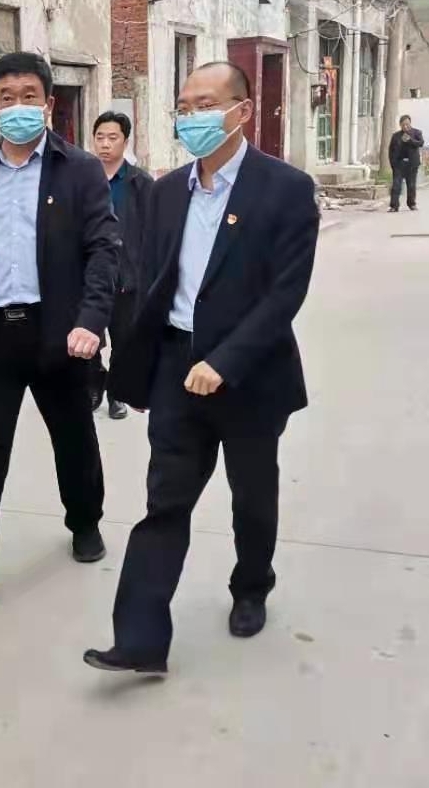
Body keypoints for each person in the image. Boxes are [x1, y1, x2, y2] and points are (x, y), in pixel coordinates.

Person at [85, 61, 319, 677]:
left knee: (252, 494)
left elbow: (285, 295)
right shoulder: (166, 193)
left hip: (250, 375)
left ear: (242, 111)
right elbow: (154, 283)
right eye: (184, 107)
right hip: (176, 368)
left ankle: (251, 585)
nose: (193, 117)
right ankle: (139, 638)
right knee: (165, 501)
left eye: (206, 105)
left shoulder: (286, 189)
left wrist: (226, 360)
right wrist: (138, 365)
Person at [0, 51, 119, 602]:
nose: (17, 106)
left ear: (49, 103)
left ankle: (85, 521)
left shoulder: (78, 169)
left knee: (73, 436)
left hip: (59, 331)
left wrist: (91, 321)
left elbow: (104, 249)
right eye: (6, 98)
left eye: (28, 96)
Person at [89, 110, 155, 421]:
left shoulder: (141, 183)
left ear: (125, 141)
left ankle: (116, 394)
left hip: (126, 278)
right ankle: (94, 383)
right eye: (100, 137)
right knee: (87, 336)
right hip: (88, 276)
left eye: (112, 137)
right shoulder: (83, 178)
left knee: (123, 340)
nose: (105, 144)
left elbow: (152, 232)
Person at [387, 114, 424, 212]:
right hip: (399, 164)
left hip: (412, 164)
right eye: (403, 125)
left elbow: (420, 143)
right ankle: (394, 206)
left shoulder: (417, 133)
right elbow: (391, 150)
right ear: (400, 125)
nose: (405, 126)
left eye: (407, 124)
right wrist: (393, 163)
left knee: (411, 185)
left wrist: (410, 140)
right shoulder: (396, 136)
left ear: (410, 123)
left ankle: (412, 204)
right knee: (396, 185)